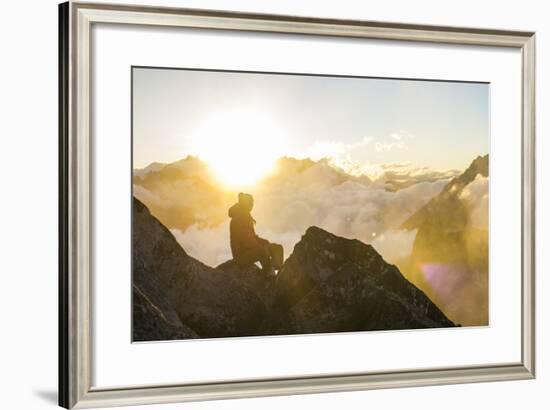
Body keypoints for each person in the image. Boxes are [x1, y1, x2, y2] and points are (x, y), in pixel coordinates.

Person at [228, 193, 283, 276]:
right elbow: (247, 240)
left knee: (277, 248)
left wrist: (264, 242)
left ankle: (275, 272)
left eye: (252, 203)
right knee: (261, 251)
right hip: (241, 256)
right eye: (250, 203)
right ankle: (268, 275)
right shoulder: (238, 219)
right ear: (245, 204)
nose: (252, 205)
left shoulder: (246, 215)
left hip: (249, 251)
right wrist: (262, 247)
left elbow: (252, 237)